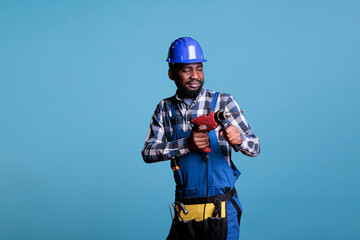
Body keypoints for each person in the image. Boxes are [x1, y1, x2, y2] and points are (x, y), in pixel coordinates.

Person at [142, 37, 260, 240]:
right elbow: (148, 152)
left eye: (199, 68)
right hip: (185, 209)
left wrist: (239, 140)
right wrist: (186, 144)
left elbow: (255, 147)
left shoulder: (224, 102)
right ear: (172, 73)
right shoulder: (164, 108)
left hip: (221, 208)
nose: (195, 75)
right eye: (187, 70)